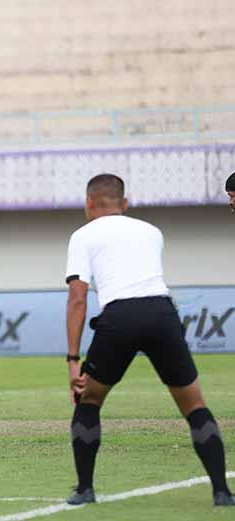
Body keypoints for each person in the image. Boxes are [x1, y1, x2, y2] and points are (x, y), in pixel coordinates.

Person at [64, 174, 233, 506]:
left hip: (119, 317)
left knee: (89, 401)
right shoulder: (151, 232)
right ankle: (222, 492)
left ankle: (85, 489)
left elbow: (77, 299)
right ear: (125, 203)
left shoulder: (83, 235)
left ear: (88, 203)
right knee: (195, 405)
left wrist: (72, 360)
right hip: (161, 313)